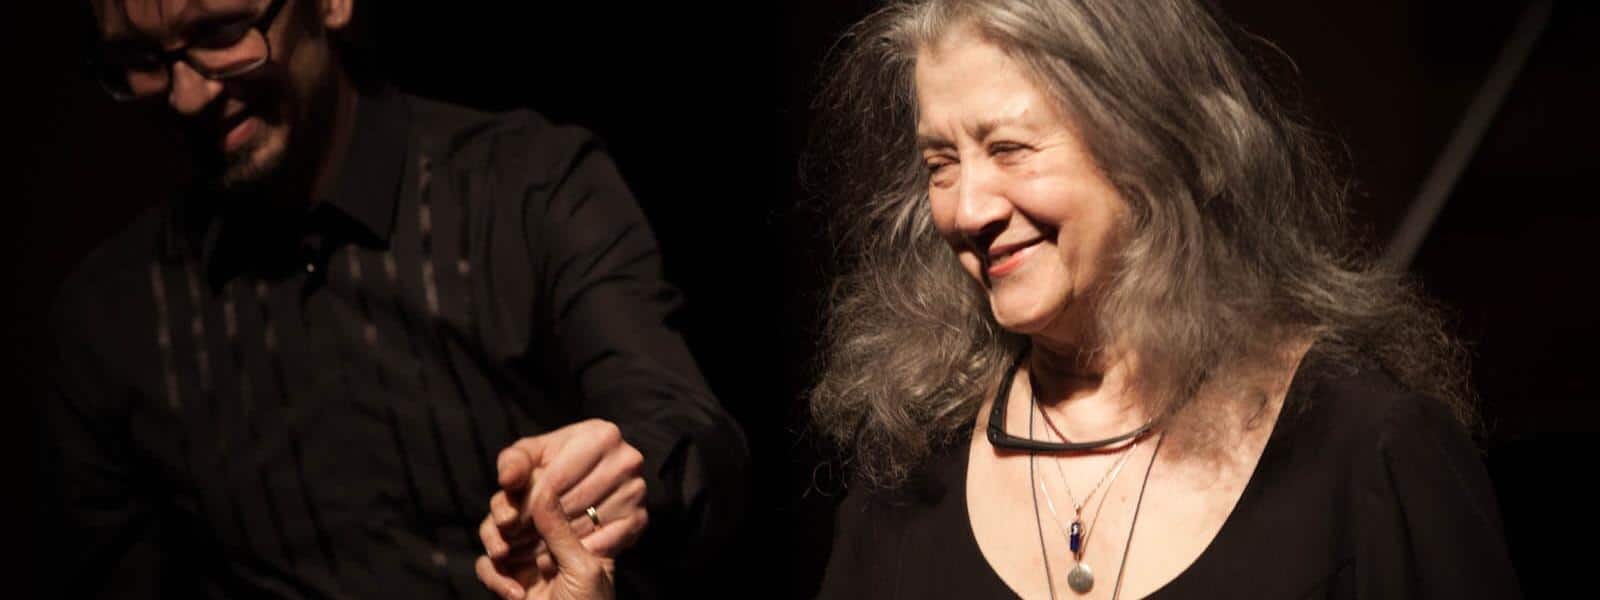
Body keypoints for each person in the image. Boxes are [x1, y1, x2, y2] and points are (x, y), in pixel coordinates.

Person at [807, 0, 1520, 598]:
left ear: (1150, 139)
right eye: (940, 164)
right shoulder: (909, 480)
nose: (967, 209)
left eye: (1010, 149)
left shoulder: (1367, 454)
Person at [42, 0, 748, 598]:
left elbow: (685, 430)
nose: (187, 95)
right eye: (140, 60)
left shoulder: (530, 188)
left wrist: (619, 481)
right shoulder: (106, 322)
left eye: (222, 32)